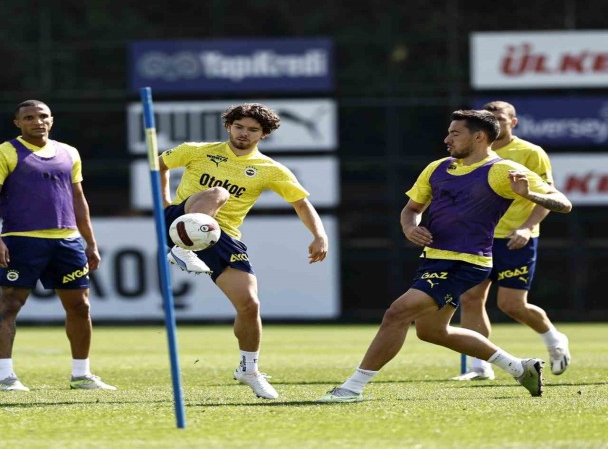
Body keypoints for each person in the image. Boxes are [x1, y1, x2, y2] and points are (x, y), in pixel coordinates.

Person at [317, 110, 572, 403]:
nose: (447, 139)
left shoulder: (502, 170)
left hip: (466, 262)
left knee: (397, 313)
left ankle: (352, 388)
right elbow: (412, 209)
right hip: (434, 259)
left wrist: (529, 195)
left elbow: (563, 203)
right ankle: (519, 367)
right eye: (449, 132)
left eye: (455, 133)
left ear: (479, 137)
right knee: (432, 332)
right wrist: (410, 227)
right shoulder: (437, 167)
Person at [159, 103, 329, 399]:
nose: (244, 134)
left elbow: (301, 204)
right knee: (218, 192)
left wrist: (319, 234)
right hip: (181, 222)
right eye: (239, 127)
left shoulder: (270, 169)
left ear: (263, 135)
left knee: (250, 305)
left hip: (222, 237)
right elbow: (158, 164)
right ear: (229, 126)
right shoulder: (197, 151)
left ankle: (248, 369)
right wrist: (164, 204)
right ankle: (183, 248)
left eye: (252, 130)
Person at [0, 99, 116, 392]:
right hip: (22, 240)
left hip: (67, 241)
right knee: (9, 304)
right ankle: (6, 376)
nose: (37, 122)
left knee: (80, 306)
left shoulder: (69, 153)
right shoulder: (3, 153)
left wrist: (90, 242)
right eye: (29, 117)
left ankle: (81, 374)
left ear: (51, 120)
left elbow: (78, 199)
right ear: (17, 123)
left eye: (42, 116)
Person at [454, 101, 570, 381]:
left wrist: (527, 228)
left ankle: (554, 340)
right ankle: (479, 366)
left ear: (513, 122)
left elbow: (549, 196)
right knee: (470, 298)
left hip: (514, 238)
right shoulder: (472, 151)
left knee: (511, 304)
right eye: (489, 119)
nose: (495, 123)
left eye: (501, 119)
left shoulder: (530, 153)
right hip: (477, 240)